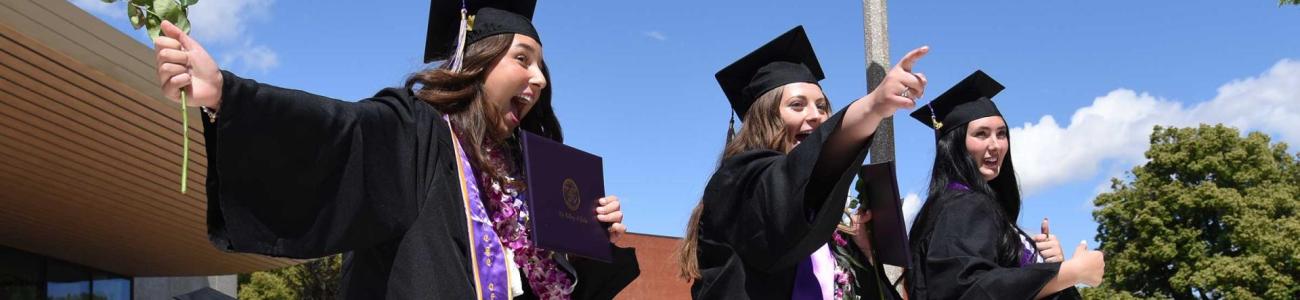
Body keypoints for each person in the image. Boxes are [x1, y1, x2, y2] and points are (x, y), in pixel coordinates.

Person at [150, 0, 639, 298]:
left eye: (542, 66)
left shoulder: (528, 178)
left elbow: (549, 290)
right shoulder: (418, 131)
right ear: (478, 60)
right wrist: (225, 95)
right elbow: (339, 132)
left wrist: (593, 242)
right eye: (522, 58)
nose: (538, 78)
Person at [675, 25, 930, 299]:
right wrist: (872, 107)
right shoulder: (738, 184)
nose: (816, 116)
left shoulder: (831, 231)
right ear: (765, 119)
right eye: (797, 105)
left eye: (822, 107)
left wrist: (864, 250)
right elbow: (786, 190)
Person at [905, 70, 1104, 299]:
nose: (996, 145)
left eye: (1001, 134)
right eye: (981, 134)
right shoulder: (964, 205)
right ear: (956, 145)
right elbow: (967, 289)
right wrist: (1071, 272)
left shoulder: (955, 206)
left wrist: (1048, 263)